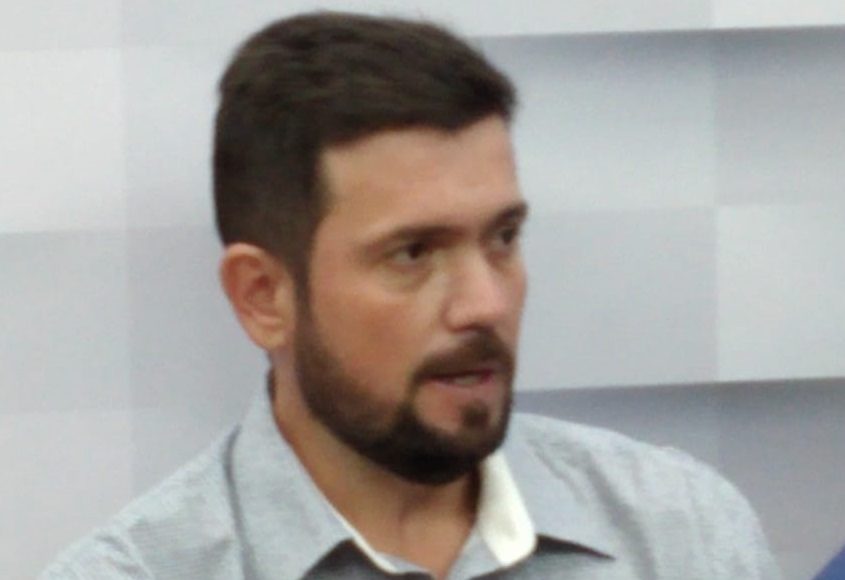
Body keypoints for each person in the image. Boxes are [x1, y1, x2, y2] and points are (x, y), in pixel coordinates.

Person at [42, 12, 780, 580]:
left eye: (502, 237)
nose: (485, 305)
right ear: (264, 297)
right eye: (413, 253)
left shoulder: (678, 534)